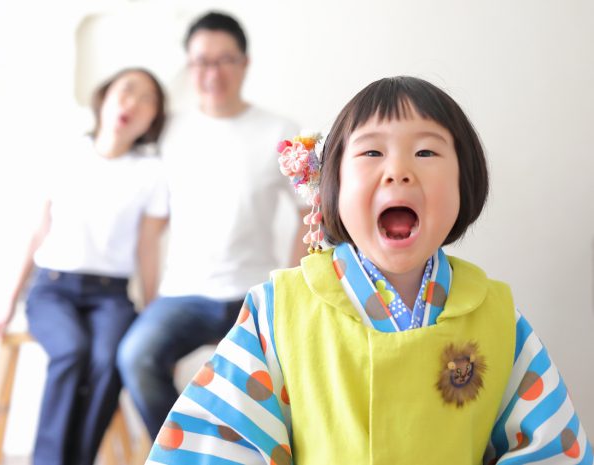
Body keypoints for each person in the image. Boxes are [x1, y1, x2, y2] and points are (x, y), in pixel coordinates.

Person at [143, 76, 593, 464]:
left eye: (426, 153)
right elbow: (218, 442)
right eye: (372, 153)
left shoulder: (497, 319)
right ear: (333, 185)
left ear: (465, 181)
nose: (398, 171)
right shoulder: (278, 314)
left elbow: (551, 447)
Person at [116, 11, 308, 440]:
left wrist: (288, 286)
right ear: (189, 66)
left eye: (225, 60)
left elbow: (309, 210)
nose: (212, 72)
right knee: (135, 357)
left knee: (292, 378)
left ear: (245, 63)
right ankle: (184, 450)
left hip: (254, 295)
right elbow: (151, 226)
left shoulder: (280, 131)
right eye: (202, 61)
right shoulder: (170, 131)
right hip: (182, 293)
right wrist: (149, 299)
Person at [0, 68, 169, 465]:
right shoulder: (64, 154)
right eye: (126, 90)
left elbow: (148, 247)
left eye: (147, 99)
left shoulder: (152, 172)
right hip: (52, 289)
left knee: (110, 358)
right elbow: (35, 234)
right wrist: (8, 303)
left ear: (153, 119)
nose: (133, 103)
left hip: (112, 295)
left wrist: (152, 306)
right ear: (104, 97)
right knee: (71, 350)